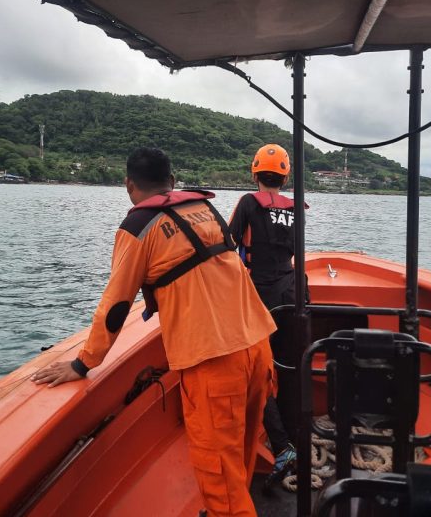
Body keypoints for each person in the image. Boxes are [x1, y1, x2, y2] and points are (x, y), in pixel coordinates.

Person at [31, 147, 277, 517]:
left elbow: (115, 306)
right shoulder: (205, 208)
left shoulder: (137, 228)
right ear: (173, 183)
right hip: (258, 343)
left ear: (128, 185)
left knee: (220, 479)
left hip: (213, 360)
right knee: (240, 453)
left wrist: (83, 364)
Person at [228, 143, 309, 489]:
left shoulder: (248, 203)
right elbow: (297, 250)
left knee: (260, 369)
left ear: (255, 172)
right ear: (285, 175)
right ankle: (298, 434)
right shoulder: (297, 209)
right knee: (291, 363)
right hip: (293, 291)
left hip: (259, 296)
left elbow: (227, 243)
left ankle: (281, 445)